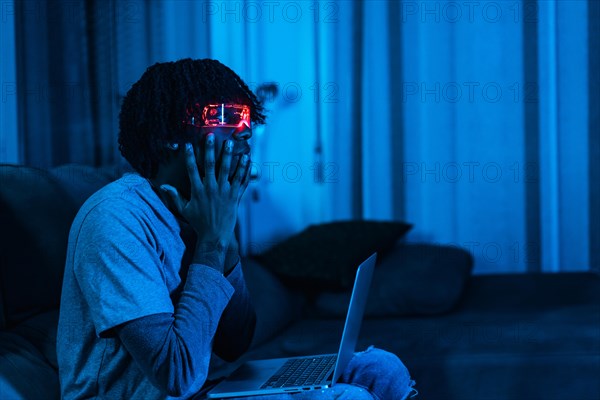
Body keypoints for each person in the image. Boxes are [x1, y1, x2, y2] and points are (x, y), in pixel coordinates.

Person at [57, 58, 417, 400]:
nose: (245, 139)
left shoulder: (206, 210)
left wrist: (223, 237)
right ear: (170, 137)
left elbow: (235, 342)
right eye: (226, 124)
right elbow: (176, 375)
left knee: (381, 369)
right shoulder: (117, 218)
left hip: (207, 386)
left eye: (246, 127)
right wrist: (212, 241)